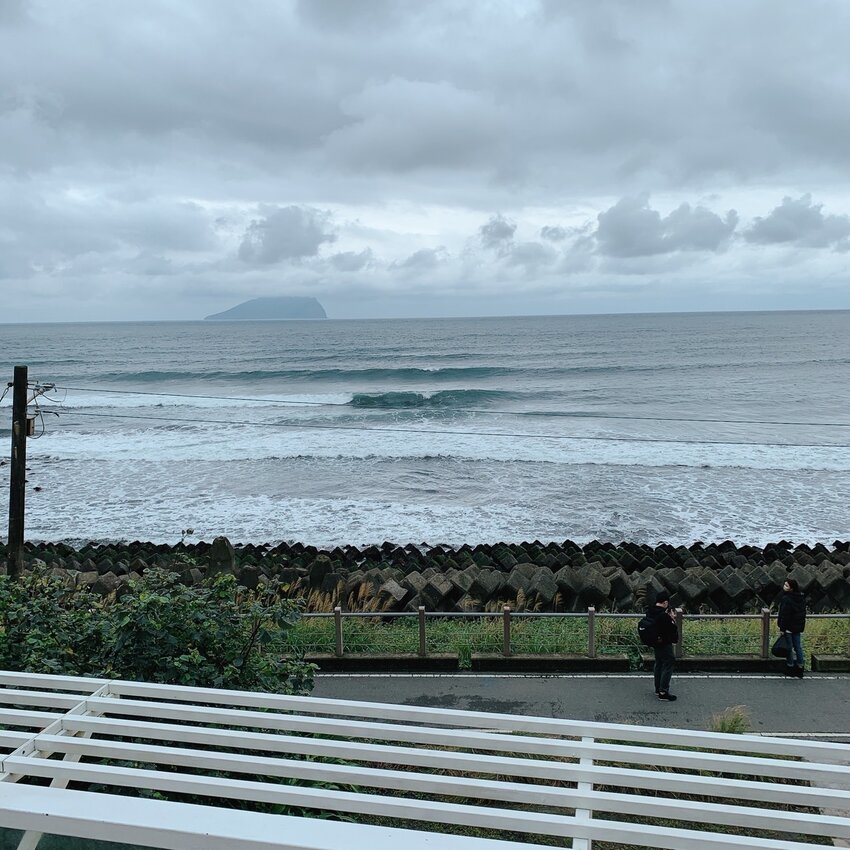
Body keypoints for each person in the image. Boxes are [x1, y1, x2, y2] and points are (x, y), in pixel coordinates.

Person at [647, 589, 679, 701]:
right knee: (669, 663)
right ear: (665, 602)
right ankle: (663, 691)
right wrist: (673, 619)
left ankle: (657, 688)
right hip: (664, 643)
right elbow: (672, 629)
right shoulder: (663, 616)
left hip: (655, 642)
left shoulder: (650, 611)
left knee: (659, 663)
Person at [777, 578, 806, 678]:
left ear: (791, 588)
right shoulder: (801, 597)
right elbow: (802, 614)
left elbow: (785, 615)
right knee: (798, 647)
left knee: (789, 648)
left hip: (788, 627)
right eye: (784, 584)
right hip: (797, 627)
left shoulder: (786, 599)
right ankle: (800, 668)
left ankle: (790, 668)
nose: (784, 587)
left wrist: (782, 628)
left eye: (786, 586)